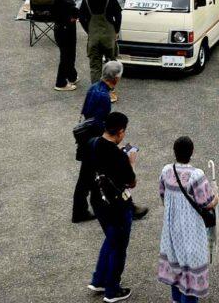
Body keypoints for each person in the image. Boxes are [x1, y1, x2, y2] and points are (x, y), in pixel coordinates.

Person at [158, 135, 219, 303]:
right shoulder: (196, 175)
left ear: (174, 152)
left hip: (171, 229)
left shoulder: (166, 171)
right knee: (191, 274)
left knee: (176, 267)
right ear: (192, 152)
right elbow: (207, 203)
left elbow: (163, 195)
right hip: (191, 231)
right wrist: (217, 197)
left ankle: (176, 300)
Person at [88, 111, 139, 303]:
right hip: (117, 206)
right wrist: (131, 162)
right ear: (120, 132)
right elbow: (131, 182)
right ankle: (112, 289)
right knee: (119, 247)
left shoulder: (93, 144)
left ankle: (99, 279)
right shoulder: (119, 156)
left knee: (110, 239)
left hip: (98, 201)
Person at [74, 61, 121, 221]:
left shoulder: (94, 88)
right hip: (93, 141)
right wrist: (108, 142)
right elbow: (99, 124)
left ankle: (91, 207)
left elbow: (86, 113)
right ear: (115, 78)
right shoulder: (104, 96)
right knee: (88, 177)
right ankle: (81, 211)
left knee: (90, 176)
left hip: (86, 138)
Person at [80, 0, 123, 85]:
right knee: (111, 65)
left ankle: (96, 89)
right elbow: (118, 15)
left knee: (95, 67)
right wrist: (116, 30)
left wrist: (89, 30)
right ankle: (110, 89)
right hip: (108, 37)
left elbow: (82, 17)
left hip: (94, 37)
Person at [52, 0, 80, 91]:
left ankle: (72, 76)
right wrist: (73, 17)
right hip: (66, 30)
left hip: (60, 29)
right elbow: (75, 13)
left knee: (69, 54)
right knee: (66, 56)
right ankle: (60, 83)